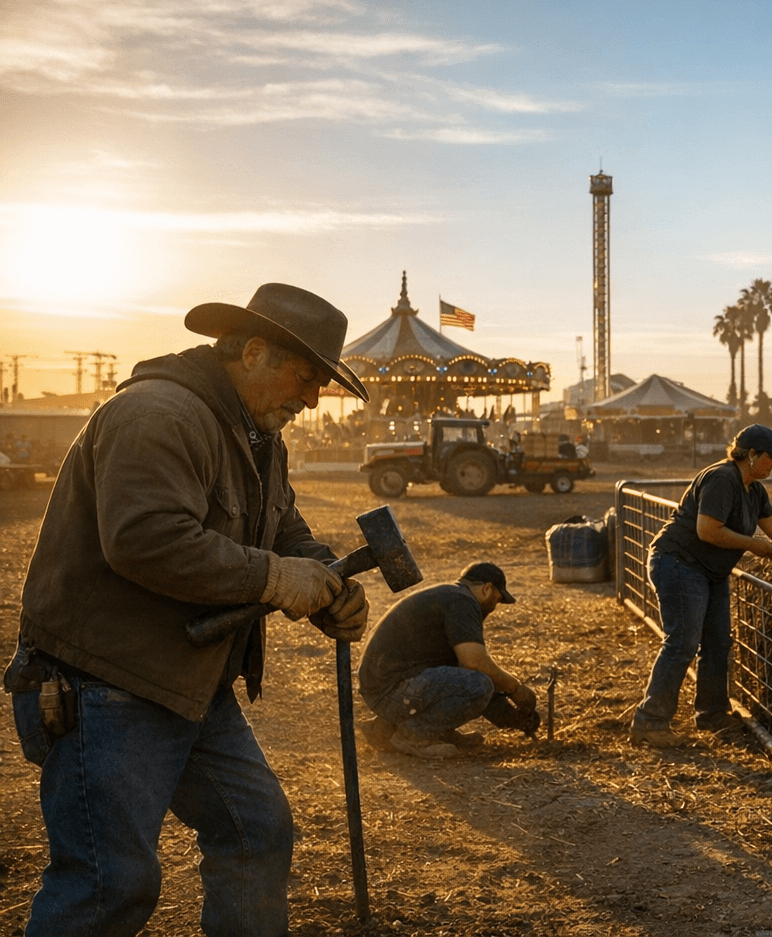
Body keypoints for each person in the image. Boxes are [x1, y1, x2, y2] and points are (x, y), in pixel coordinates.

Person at [4, 282, 371, 937]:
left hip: (190, 682)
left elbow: (283, 532)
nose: (314, 398)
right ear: (253, 351)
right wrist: (273, 578)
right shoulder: (158, 415)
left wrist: (327, 585)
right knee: (108, 885)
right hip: (106, 684)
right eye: (306, 376)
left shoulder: (259, 438)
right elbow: (148, 541)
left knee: (255, 833)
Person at [630, 423, 772, 747]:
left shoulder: (754, 489)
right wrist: (752, 544)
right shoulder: (722, 478)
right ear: (752, 454)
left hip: (710, 571)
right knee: (683, 641)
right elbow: (707, 530)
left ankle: (712, 714)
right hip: (679, 563)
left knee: (717, 642)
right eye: (771, 457)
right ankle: (650, 721)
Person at [358, 562, 540, 759]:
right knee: (479, 685)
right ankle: (414, 735)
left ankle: (396, 730)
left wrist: (512, 718)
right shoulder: (462, 601)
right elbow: (474, 663)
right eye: (496, 600)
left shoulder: (450, 596)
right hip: (391, 690)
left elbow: (461, 674)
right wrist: (515, 688)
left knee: (475, 682)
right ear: (487, 588)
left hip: (386, 687)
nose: (494, 607)